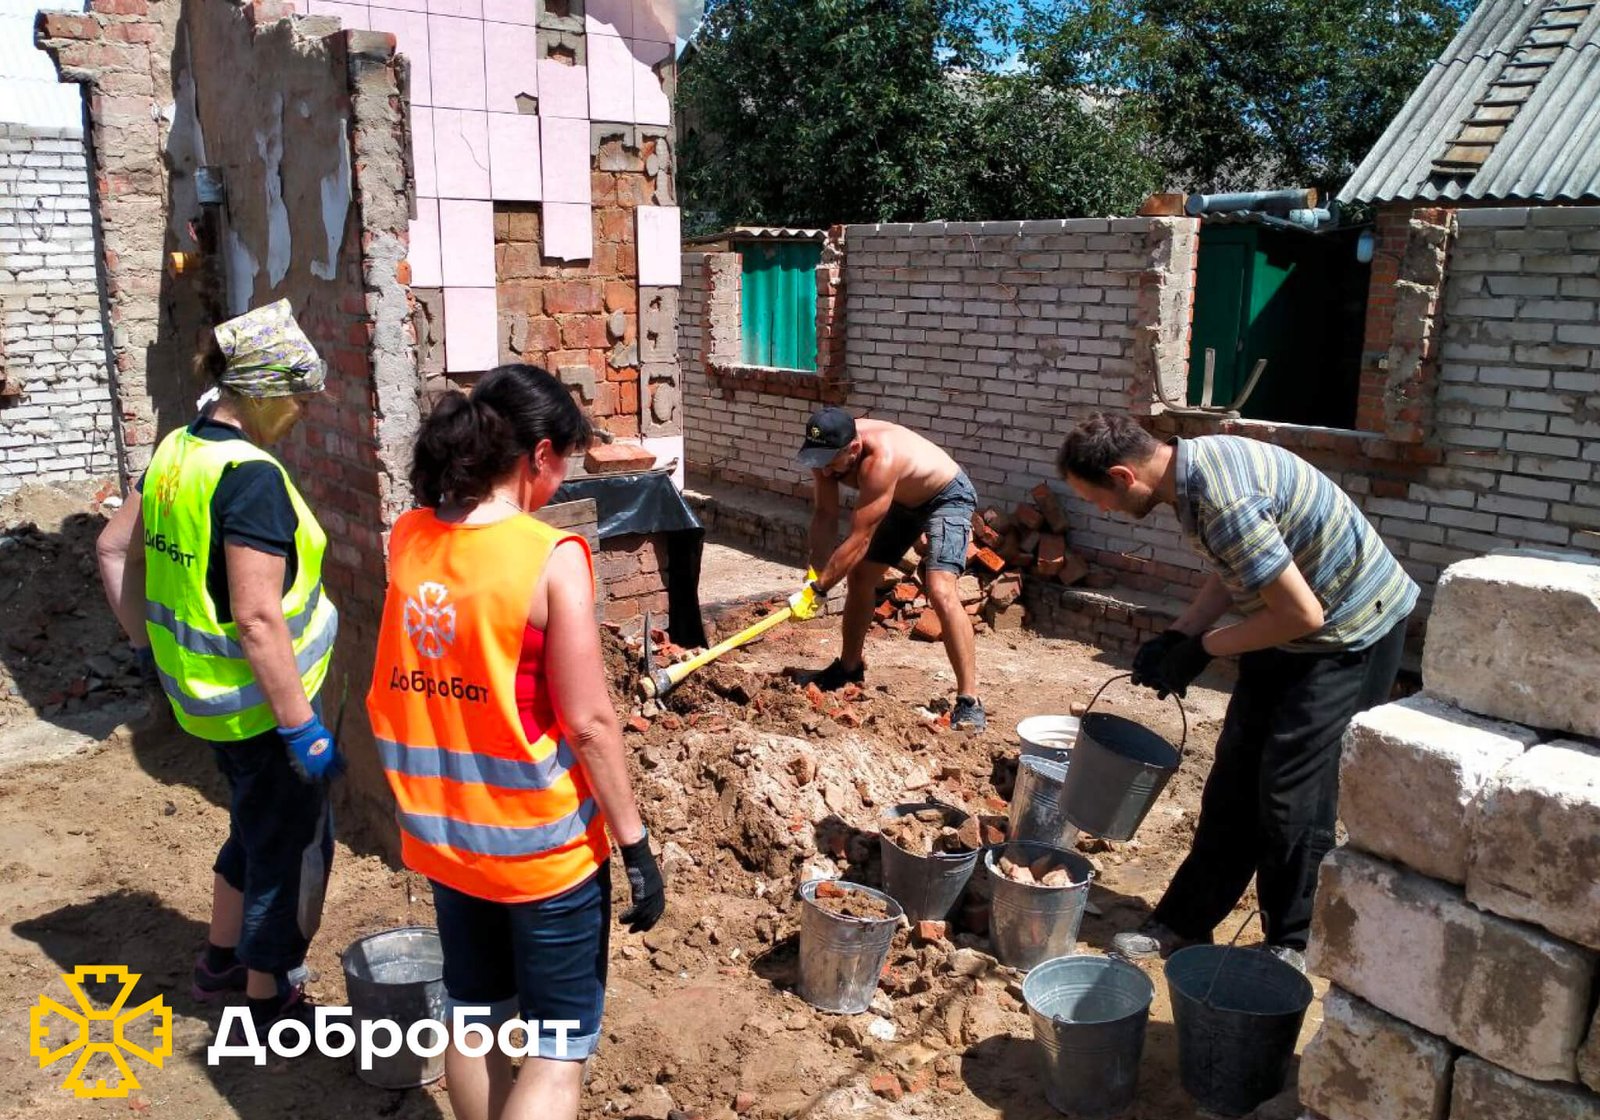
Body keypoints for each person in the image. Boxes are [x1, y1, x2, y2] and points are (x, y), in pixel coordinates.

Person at [367, 364, 665, 1120]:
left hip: (445, 839)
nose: (561, 483)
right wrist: (635, 846)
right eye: (563, 464)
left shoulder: (410, 538)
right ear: (538, 455)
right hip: (541, 852)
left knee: (475, 1018)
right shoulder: (549, 556)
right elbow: (589, 722)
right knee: (556, 1053)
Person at [1056, 413, 1416, 972]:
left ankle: (1293, 940)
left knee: (1291, 791)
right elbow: (1237, 569)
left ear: (1124, 476)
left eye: (1097, 499)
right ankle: (1184, 922)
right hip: (1290, 623)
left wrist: (1203, 649)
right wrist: (1181, 633)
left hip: (1350, 629)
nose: (1102, 511)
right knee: (1234, 779)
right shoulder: (1191, 475)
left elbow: (1303, 615)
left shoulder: (1222, 501)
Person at [96, 298, 342, 1035]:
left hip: (203, 701)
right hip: (262, 708)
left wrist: (147, 651)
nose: (301, 411)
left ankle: (220, 959)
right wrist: (302, 729)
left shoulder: (177, 451)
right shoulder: (250, 478)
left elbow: (113, 548)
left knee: (253, 826)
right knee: (290, 848)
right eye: (297, 397)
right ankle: (269, 999)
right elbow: (258, 617)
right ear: (261, 393)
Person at [790, 406, 985, 730]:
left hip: (946, 496)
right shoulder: (826, 452)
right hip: (903, 499)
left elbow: (860, 538)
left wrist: (821, 590)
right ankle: (849, 668)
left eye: (830, 463)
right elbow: (825, 515)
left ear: (853, 448)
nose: (823, 470)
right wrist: (815, 574)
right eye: (818, 461)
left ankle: (970, 701)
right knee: (861, 576)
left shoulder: (881, 459)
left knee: (940, 589)